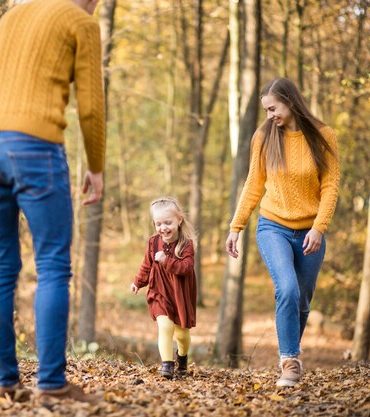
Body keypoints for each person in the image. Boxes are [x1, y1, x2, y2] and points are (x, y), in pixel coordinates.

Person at [0, 0, 105, 402]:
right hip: (34, 144)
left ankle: (4, 384)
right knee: (52, 265)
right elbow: (92, 107)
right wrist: (96, 166)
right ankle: (51, 385)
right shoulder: (80, 23)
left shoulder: (13, 14)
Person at [225, 77, 340, 387]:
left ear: (290, 101)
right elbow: (253, 184)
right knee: (286, 289)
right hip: (272, 226)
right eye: (265, 110)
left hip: (310, 232)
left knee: (302, 301)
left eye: (273, 108)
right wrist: (236, 227)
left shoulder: (323, 136)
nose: (269, 116)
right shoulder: (263, 137)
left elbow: (330, 186)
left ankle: (292, 354)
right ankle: (289, 362)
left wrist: (319, 227)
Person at [131, 197, 197, 379]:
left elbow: (187, 268)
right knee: (165, 327)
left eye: (168, 222)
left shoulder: (186, 244)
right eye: (159, 224)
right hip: (159, 290)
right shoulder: (153, 243)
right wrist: (138, 282)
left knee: (182, 334)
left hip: (180, 293)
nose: (163, 228)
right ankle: (167, 365)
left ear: (179, 220)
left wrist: (167, 261)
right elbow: (146, 265)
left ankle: (182, 358)